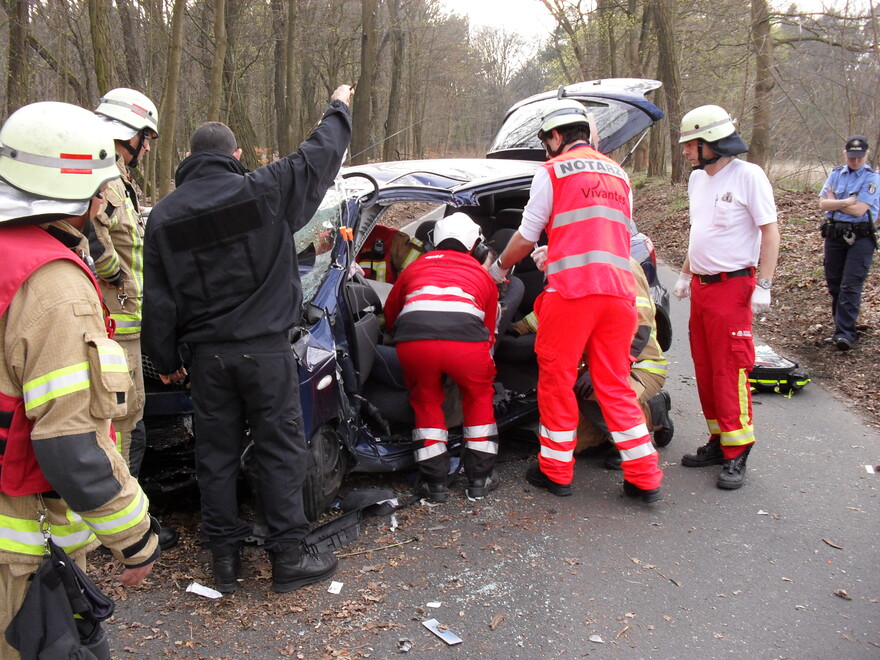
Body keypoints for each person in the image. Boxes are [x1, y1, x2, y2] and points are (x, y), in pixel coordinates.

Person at [142, 84, 353, 594]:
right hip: (265, 353)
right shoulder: (263, 188)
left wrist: (164, 358)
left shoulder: (165, 217)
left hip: (208, 361)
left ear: (189, 158)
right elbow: (319, 155)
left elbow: (159, 298)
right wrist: (339, 106)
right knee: (279, 450)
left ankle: (224, 561)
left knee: (213, 457)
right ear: (235, 156)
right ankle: (287, 558)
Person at [0, 101, 159, 659]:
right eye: (98, 191)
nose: (102, 205)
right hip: (19, 551)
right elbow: (71, 442)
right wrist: (135, 539)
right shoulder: (55, 289)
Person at [488, 99, 664, 502]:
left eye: (545, 141)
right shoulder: (619, 175)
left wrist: (498, 269)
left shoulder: (551, 172)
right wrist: (558, 253)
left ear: (555, 136)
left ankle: (555, 472)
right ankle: (644, 477)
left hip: (572, 297)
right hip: (620, 296)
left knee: (556, 383)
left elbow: (526, 235)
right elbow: (606, 236)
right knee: (615, 386)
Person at [673, 104, 780, 490]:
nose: (685, 150)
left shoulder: (749, 176)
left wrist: (763, 286)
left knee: (729, 369)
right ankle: (719, 440)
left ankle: (739, 451)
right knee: (704, 367)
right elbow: (698, 233)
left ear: (712, 142)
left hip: (734, 288)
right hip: (702, 288)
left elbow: (770, 233)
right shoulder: (698, 180)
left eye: (691, 144)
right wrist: (685, 273)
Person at [91, 88, 178, 551]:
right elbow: (95, 240)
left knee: (131, 425)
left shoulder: (118, 179)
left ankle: (129, 520)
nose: (148, 147)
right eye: (146, 137)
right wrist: (117, 281)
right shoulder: (101, 178)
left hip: (126, 329)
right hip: (112, 329)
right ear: (131, 134)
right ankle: (121, 530)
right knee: (122, 429)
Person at [383, 213, 500, 502]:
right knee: (478, 397)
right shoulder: (482, 274)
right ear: (477, 247)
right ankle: (479, 480)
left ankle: (434, 483)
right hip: (467, 348)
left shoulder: (415, 267)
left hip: (415, 345)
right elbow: (488, 329)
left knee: (425, 401)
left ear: (431, 243)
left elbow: (391, 313)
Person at [525, 248, 673, 465]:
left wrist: (598, 372)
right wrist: (512, 327)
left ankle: (653, 414)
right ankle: (612, 434)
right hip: (600, 366)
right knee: (580, 445)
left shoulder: (624, 266)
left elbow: (639, 331)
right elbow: (549, 312)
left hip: (640, 365)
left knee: (601, 392)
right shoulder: (574, 262)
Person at [818, 134, 879, 351]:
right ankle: (839, 329)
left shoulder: (872, 178)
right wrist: (846, 201)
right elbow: (823, 203)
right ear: (845, 154)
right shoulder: (836, 174)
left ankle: (846, 333)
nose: (855, 161)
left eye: (859, 158)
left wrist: (836, 203)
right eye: (852, 157)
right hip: (835, 235)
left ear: (867, 155)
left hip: (860, 237)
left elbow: (860, 209)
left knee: (850, 285)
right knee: (834, 283)